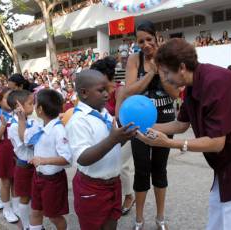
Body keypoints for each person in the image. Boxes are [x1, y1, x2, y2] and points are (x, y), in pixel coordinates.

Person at [137, 38, 231, 230]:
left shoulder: (215, 82)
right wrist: (142, 127)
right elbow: (180, 125)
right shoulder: (192, 84)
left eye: (166, 73)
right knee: (218, 214)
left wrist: (170, 144)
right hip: (229, 158)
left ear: (181, 67)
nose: (166, 79)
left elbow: (216, 142)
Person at [116, 21, 179, 230]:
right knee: (142, 169)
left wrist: (159, 69)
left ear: (157, 37)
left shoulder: (169, 57)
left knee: (160, 169)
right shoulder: (134, 59)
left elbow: (175, 93)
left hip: (165, 119)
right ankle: (139, 218)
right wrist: (150, 73)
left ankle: (160, 218)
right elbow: (129, 91)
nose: (145, 44)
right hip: (140, 121)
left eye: (149, 39)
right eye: (140, 41)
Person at [66, 69, 138, 230]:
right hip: (92, 187)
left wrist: (124, 138)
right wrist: (113, 139)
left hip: (113, 183)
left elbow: (111, 147)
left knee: (112, 221)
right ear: (84, 93)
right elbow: (82, 157)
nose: (107, 94)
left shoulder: (104, 113)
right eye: (101, 90)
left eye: (107, 89)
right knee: (93, 225)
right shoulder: (78, 121)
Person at [90, 56, 136, 215]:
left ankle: (129, 195)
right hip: (106, 135)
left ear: (105, 76)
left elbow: (119, 116)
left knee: (122, 165)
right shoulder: (95, 92)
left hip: (123, 133)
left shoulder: (119, 90)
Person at [24, 89, 72, 230]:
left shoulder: (58, 130)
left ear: (40, 109)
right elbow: (25, 138)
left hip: (53, 181)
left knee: (53, 216)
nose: (33, 106)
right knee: (36, 211)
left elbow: (67, 158)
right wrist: (21, 120)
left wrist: (43, 161)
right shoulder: (40, 126)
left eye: (35, 103)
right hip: (38, 176)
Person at [6, 90, 44, 230]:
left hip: (33, 165)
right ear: (18, 106)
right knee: (25, 197)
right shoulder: (15, 126)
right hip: (24, 165)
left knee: (34, 196)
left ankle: (35, 224)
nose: (33, 106)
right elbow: (28, 142)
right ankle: (27, 225)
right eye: (30, 103)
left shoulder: (30, 120)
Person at [0, 88, 19, 223]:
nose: (11, 101)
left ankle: (16, 206)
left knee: (16, 180)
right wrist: (3, 126)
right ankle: (7, 209)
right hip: (4, 151)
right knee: (6, 181)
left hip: (17, 150)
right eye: (7, 98)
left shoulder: (17, 114)